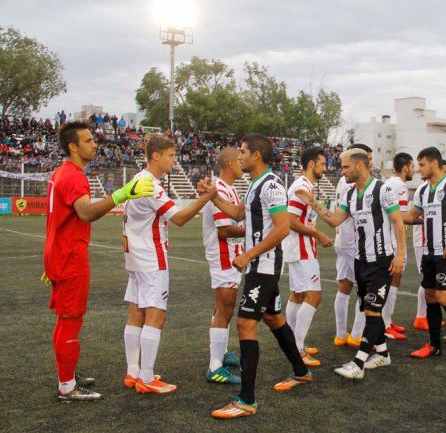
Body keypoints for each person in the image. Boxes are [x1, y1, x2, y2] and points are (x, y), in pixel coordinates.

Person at [42, 121, 155, 402]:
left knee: (65, 318)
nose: (95, 144)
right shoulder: (74, 176)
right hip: (69, 256)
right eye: (89, 140)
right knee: (71, 319)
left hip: (59, 253)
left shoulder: (61, 172)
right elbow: (86, 213)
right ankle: (67, 386)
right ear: (73, 146)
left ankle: (65, 374)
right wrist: (122, 193)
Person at [211, 134, 311, 419]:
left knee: (245, 324)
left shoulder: (272, 185)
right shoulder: (254, 184)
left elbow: (281, 228)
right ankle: (301, 371)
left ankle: (246, 400)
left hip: (264, 265)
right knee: (274, 318)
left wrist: (249, 254)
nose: (239, 156)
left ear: (256, 155)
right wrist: (212, 196)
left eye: (242, 152)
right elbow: (238, 213)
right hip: (259, 264)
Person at [121, 136, 218, 395]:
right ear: (156, 156)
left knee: (136, 315)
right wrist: (207, 198)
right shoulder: (151, 185)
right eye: (171, 155)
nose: (174, 160)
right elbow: (180, 218)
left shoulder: (136, 179)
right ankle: (147, 377)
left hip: (134, 257)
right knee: (156, 316)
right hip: (151, 259)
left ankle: (133, 372)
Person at [299, 148, 406, 380]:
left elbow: (398, 222)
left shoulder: (383, 189)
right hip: (360, 261)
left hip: (382, 261)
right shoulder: (349, 194)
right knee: (370, 312)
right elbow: (335, 219)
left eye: (345, 166)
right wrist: (313, 203)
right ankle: (383, 354)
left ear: (359, 165)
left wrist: (400, 255)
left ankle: (358, 362)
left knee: (372, 311)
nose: (342, 171)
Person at [404, 147, 446, 358]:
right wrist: (388, 212)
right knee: (431, 296)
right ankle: (434, 345)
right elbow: (411, 216)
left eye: (422, 165)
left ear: (434, 163)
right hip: (429, 252)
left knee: (444, 297)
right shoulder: (422, 191)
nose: (419, 170)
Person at [283, 147, 333, 367]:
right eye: (322, 164)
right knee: (314, 296)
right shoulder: (301, 186)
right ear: (311, 164)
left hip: (299, 247)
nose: (325, 168)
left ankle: (292, 343)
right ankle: (298, 348)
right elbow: (291, 220)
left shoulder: (305, 186)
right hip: (302, 247)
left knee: (297, 295)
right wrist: (318, 234)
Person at [201, 148, 246, 384]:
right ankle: (215, 366)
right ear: (229, 163)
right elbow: (224, 230)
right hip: (222, 256)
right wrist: (253, 233)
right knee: (225, 308)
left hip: (231, 255)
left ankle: (222, 353)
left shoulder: (230, 189)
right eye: (239, 161)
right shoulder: (217, 189)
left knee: (222, 308)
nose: (243, 164)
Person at [332, 143, 373, 349]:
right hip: (353, 241)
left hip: (342, 239)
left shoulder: (341, 180)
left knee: (344, 286)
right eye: (368, 159)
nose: (370, 164)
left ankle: (340, 334)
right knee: (363, 289)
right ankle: (357, 334)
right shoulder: (354, 182)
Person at [381, 152, 416, 340]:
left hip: (388, 237)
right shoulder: (400, 186)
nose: (414, 170)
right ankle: (385, 324)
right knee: (393, 280)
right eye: (412, 166)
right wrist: (422, 220)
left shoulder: (389, 183)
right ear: (405, 168)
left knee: (392, 281)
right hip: (394, 240)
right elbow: (401, 216)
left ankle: (387, 320)